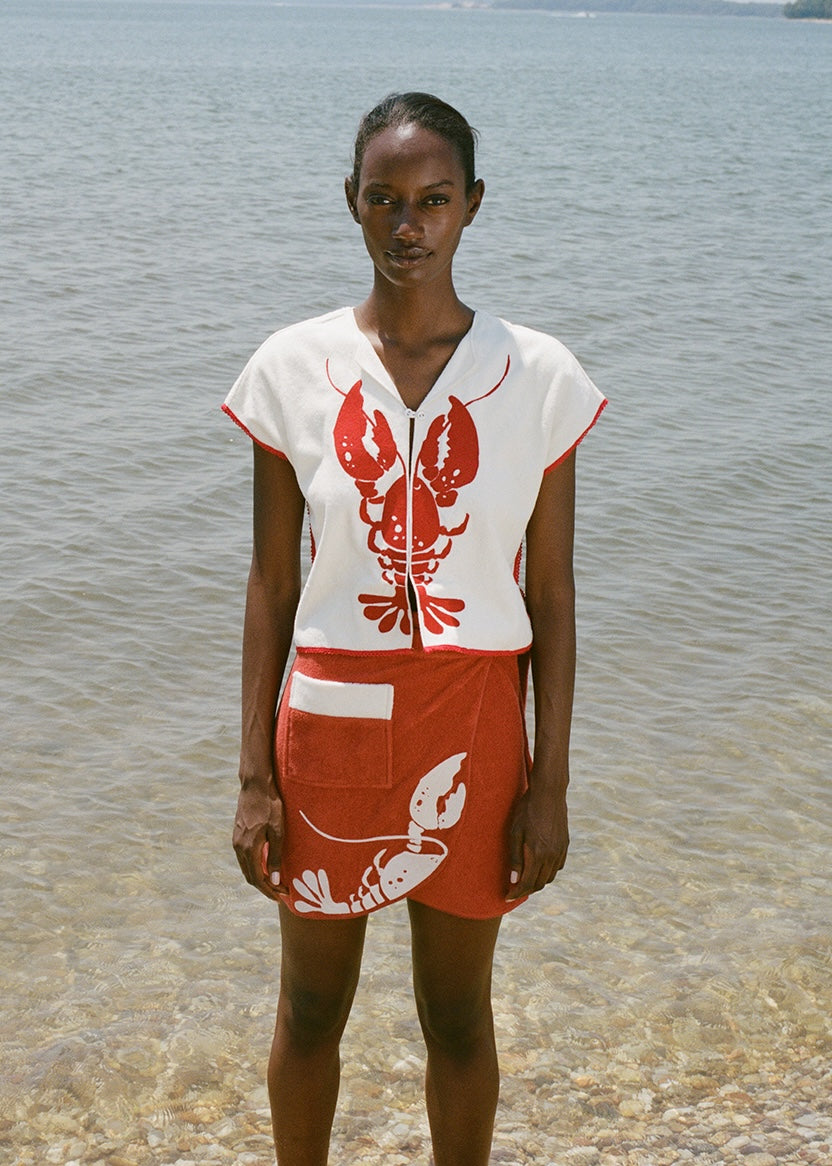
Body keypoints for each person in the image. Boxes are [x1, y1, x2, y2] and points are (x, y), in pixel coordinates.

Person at [223, 92, 606, 1166]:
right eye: (384, 200)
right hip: (332, 721)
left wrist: (550, 782)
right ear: (349, 202)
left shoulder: (537, 377)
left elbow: (554, 596)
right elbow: (269, 581)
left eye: (433, 200)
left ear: (472, 207)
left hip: (476, 716)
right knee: (308, 1008)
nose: (407, 225)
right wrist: (254, 771)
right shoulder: (291, 367)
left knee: (456, 1018)